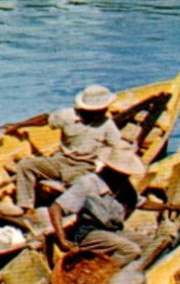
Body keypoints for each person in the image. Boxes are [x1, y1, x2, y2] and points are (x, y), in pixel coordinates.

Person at [9, 83, 127, 214]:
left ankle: (74, 215)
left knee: (85, 190)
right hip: (59, 161)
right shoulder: (67, 115)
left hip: (83, 167)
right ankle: (25, 207)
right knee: (26, 165)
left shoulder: (108, 125)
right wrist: (18, 125)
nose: (103, 112)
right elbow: (45, 119)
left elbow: (118, 147)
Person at [48, 142, 146, 265]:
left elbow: (139, 202)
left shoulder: (123, 184)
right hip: (91, 232)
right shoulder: (89, 183)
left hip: (113, 231)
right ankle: (103, 275)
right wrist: (62, 240)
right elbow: (56, 208)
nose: (126, 177)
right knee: (130, 250)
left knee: (148, 243)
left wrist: (169, 206)